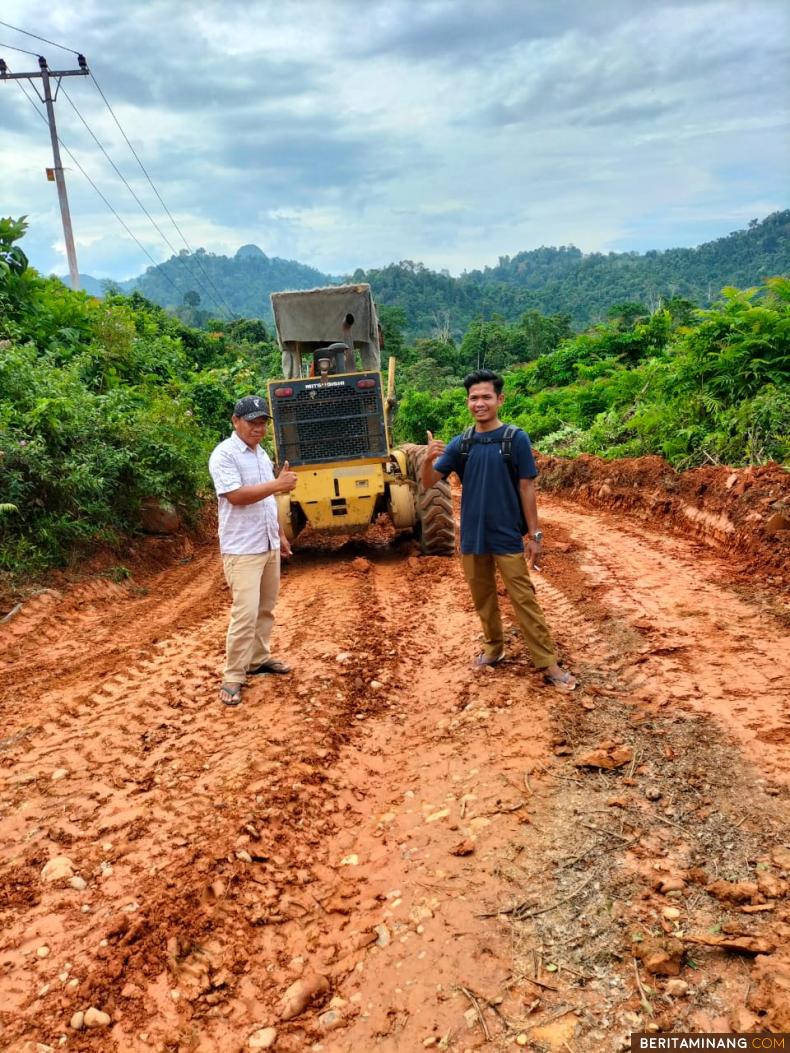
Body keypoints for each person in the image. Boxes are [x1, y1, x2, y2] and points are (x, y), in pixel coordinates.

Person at [421, 369, 576, 691]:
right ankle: (494, 648)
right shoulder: (461, 443)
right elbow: (428, 482)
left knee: (524, 598)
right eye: (474, 398)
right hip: (473, 537)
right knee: (483, 598)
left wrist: (534, 535)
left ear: (499, 399)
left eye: (486, 397)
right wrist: (426, 460)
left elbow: (526, 487)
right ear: (467, 402)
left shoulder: (515, 439)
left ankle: (548, 662)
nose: (480, 403)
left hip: (506, 535)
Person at [208, 396, 298, 706]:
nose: (257, 429)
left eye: (262, 423)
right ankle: (233, 675)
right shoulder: (224, 455)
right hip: (242, 548)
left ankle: (258, 659)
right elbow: (235, 496)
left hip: (266, 543)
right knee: (244, 613)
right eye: (252, 422)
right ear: (235, 421)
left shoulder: (261, 456)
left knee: (265, 608)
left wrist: (280, 534)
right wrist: (277, 484)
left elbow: (267, 501)